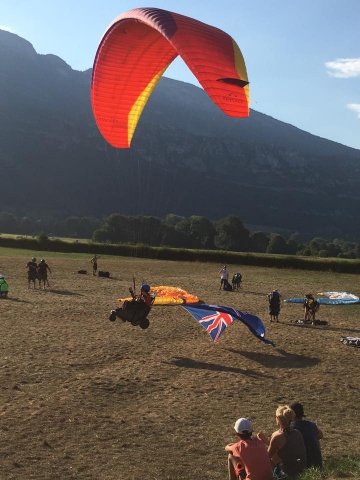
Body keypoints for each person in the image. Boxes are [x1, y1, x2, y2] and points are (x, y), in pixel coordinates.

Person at [257, 405, 307, 477]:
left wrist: (260, 445)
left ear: (278, 419)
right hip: (301, 471)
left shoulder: (277, 436)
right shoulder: (297, 433)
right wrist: (266, 441)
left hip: (286, 474)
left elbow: (268, 456)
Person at [290, 402, 323, 469]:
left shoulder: (291, 428)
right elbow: (320, 435)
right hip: (317, 465)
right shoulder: (311, 425)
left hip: (302, 466)